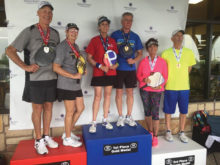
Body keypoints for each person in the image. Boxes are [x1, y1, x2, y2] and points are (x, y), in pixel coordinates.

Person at [6, 1, 59, 154]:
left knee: (49, 108)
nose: (47, 14)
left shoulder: (55, 33)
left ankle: (47, 135)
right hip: (35, 79)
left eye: (50, 11)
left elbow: (57, 56)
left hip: (52, 77)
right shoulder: (29, 31)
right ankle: (38, 140)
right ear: (38, 13)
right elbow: (10, 50)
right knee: (37, 109)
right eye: (44, 11)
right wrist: (25, 66)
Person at [53, 23, 84, 147]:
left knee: (80, 108)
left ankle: (67, 132)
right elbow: (55, 67)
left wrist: (83, 69)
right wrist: (73, 76)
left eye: (76, 31)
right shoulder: (62, 47)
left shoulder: (75, 46)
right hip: (66, 84)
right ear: (66, 32)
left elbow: (77, 63)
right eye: (71, 30)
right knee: (70, 112)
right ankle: (67, 138)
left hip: (76, 84)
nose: (74, 32)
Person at [162, 29, 196, 143]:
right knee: (168, 111)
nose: (179, 37)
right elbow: (163, 70)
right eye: (177, 35)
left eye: (181, 36)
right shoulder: (165, 53)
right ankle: (168, 131)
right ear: (172, 38)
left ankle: (182, 132)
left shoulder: (189, 52)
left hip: (184, 87)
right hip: (170, 86)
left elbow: (189, 69)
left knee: (183, 111)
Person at [86, 16, 118, 133]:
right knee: (98, 96)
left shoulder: (112, 41)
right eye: (103, 24)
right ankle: (94, 122)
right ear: (99, 27)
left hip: (110, 72)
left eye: (107, 24)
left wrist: (115, 65)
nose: (105, 26)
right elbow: (89, 58)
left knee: (108, 96)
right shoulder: (94, 40)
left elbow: (116, 58)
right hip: (99, 72)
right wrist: (100, 66)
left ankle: (105, 119)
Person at [111, 12, 143, 127]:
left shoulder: (135, 36)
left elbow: (140, 53)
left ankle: (129, 116)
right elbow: (109, 52)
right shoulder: (115, 35)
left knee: (130, 93)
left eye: (130, 20)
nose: (128, 22)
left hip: (130, 69)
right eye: (126, 20)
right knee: (119, 93)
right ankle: (120, 116)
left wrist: (134, 61)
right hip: (118, 68)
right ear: (121, 21)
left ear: (132, 22)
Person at [137, 38, 168, 147]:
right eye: (150, 47)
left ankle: (155, 135)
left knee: (155, 113)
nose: (153, 48)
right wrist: (144, 79)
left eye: (154, 46)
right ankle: (150, 131)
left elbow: (165, 77)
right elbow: (138, 75)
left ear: (157, 47)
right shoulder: (143, 62)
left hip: (157, 90)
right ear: (147, 49)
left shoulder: (162, 62)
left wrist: (160, 85)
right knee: (147, 111)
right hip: (145, 89)